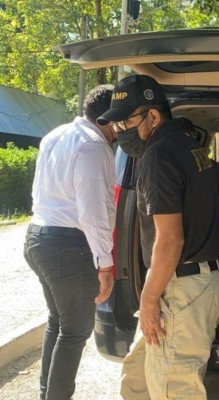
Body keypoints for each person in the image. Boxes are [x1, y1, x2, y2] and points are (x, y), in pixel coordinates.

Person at [97, 74, 219, 400]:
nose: (120, 132)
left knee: (174, 389)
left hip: (181, 290)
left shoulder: (157, 155)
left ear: (153, 116)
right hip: (196, 284)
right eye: (116, 125)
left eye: (126, 121)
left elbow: (170, 240)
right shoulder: (193, 149)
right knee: (138, 376)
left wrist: (148, 299)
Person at [23, 85, 116, 400]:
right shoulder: (93, 146)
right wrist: (106, 262)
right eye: (119, 118)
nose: (122, 127)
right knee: (76, 330)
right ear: (107, 118)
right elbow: (93, 211)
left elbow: (38, 192)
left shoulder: (55, 135)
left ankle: (47, 394)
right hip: (67, 244)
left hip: (38, 235)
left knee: (59, 322)